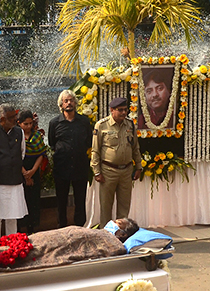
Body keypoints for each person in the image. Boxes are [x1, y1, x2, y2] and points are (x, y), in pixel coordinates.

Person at [91, 97, 142, 228]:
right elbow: (95, 151)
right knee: (106, 206)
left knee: (124, 206)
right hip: (108, 171)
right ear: (112, 110)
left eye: (125, 110)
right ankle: (106, 233)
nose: (124, 113)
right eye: (120, 110)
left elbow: (135, 147)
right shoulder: (101, 125)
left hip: (126, 171)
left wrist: (139, 166)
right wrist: (97, 172)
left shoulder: (130, 125)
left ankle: (122, 233)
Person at [48, 89, 92, 227]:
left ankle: (80, 227)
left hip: (80, 166)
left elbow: (89, 142)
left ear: (75, 103)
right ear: (61, 104)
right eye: (66, 101)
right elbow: (52, 143)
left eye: (71, 100)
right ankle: (62, 226)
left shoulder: (84, 122)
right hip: (62, 167)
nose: (69, 103)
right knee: (61, 200)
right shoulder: (54, 123)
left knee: (80, 199)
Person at [0, 104, 27, 238]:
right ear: (2, 119)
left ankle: (13, 243)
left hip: (15, 181)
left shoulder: (19, 132)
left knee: (13, 216)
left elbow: (22, 153)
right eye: (11, 117)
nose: (15, 119)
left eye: (15, 116)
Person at [18, 110, 47, 234]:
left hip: (34, 170)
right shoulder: (16, 136)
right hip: (19, 171)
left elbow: (41, 154)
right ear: (19, 123)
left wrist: (33, 171)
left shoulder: (37, 136)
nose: (28, 126)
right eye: (25, 124)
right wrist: (25, 174)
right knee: (21, 200)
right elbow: (14, 156)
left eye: (31, 123)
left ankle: (32, 228)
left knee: (33, 200)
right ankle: (19, 230)